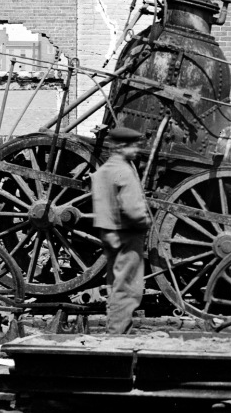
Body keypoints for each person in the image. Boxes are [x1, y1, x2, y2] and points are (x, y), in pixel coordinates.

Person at [91, 127, 152, 334]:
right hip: (128, 235)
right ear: (120, 147)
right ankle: (117, 337)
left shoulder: (104, 170)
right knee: (129, 288)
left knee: (116, 285)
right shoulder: (124, 171)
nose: (136, 150)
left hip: (110, 234)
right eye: (132, 146)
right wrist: (146, 222)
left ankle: (117, 331)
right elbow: (133, 209)